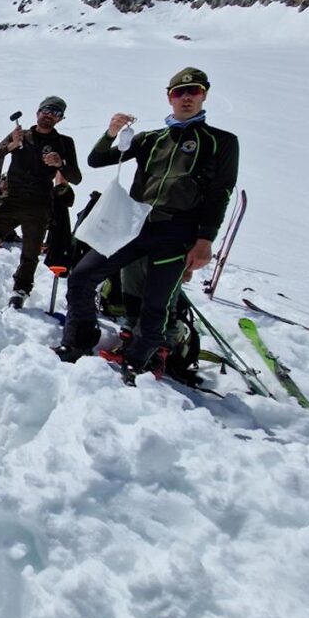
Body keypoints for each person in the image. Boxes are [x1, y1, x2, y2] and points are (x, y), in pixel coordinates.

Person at [55, 67, 238, 383]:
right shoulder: (151, 139)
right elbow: (97, 160)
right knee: (83, 276)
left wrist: (205, 240)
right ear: (169, 97)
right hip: (135, 226)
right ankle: (78, 340)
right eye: (179, 92)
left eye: (193, 91)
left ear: (204, 94)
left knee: (156, 305)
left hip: (176, 232)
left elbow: (220, 193)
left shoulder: (220, 142)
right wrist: (111, 132)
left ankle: (137, 360)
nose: (186, 98)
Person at [0, 96, 81, 309]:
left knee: (30, 253)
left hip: (39, 205)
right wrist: (10, 145)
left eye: (56, 112)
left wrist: (61, 163)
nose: (50, 114)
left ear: (61, 118)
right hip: (10, 199)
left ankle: (21, 289)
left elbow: (76, 177)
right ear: (38, 111)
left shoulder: (64, 143)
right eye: (47, 109)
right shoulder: (21, 134)